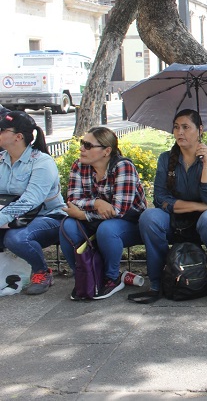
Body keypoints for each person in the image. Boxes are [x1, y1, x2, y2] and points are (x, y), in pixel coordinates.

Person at [135, 109, 207, 303]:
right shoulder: (165, 159)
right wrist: (200, 207)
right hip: (175, 221)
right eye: (176, 127)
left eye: (186, 127)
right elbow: (161, 199)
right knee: (149, 217)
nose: (180, 132)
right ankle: (159, 279)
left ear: (200, 130)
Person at [60, 127, 147, 300]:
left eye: (87, 145)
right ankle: (84, 275)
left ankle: (112, 277)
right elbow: (72, 199)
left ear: (106, 151)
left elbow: (118, 210)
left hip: (129, 223)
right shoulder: (79, 166)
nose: (82, 149)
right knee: (67, 226)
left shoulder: (123, 167)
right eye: (81, 143)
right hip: (97, 221)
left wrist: (84, 215)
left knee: (107, 229)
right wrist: (96, 203)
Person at [0, 111, 65, 295]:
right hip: (12, 218)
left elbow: (29, 201)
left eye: (1, 129)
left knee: (15, 238)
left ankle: (42, 272)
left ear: (18, 137)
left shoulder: (42, 162)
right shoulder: (1, 159)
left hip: (49, 217)